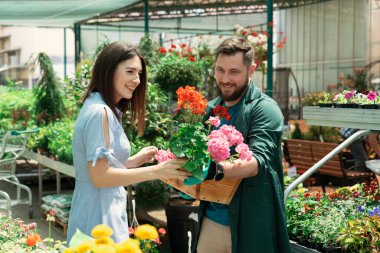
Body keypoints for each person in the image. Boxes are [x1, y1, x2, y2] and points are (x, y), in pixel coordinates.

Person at [66, 42, 189, 244]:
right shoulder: (100, 113)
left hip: (96, 206)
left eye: (139, 73)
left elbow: (101, 167)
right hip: (98, 216)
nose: (137, 80)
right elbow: (100, 177)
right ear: (109, 70)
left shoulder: (101, 106)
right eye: (130, 71)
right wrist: (157, 171)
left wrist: (133, 161)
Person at [195, 37, 291, 253]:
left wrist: (214, 170)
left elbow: (257, 161)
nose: (225, 78)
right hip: (211, 222)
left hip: (251, 225)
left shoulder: (265, 109)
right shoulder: (211, 110)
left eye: (234, 72)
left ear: (251, 70)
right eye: (220, 70)